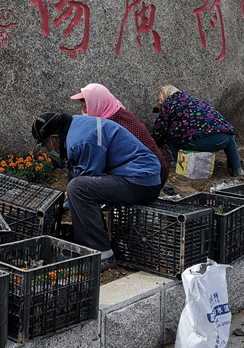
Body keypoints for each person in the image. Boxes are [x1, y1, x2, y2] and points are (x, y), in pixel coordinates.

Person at [32, 111, 161, 272]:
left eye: (45, 144)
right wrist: (63, 205)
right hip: (135, 176)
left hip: (141, 182)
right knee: (77, 187)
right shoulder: (74, 129)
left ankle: (102, 254)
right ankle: (93, 244)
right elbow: (77, 173)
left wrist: (67, 203)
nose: (47, 149)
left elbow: (89, 178)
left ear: (54, 137)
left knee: (78, 189)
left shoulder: (81, 141)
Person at [70, 83, 172, 192]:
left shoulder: (113, 124)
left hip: (147, 176)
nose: (84, 112)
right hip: (148, 173)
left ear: (98, 105)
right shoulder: (115, 111)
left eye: (86, 108)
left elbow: (98, 161)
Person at [150, 85, 244, 177]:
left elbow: (159, 130)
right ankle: (237, 169)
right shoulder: (197, 100)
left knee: (168, 134)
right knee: (229, 135)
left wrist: (152, 146)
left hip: (197, 142)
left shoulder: (168, 104)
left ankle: (180, 163)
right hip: (222, 140)